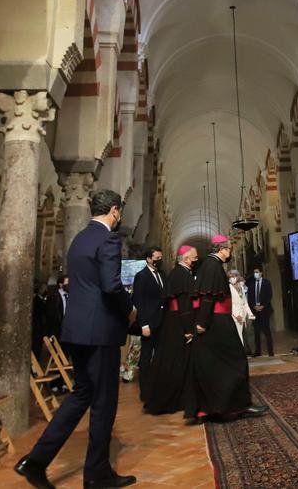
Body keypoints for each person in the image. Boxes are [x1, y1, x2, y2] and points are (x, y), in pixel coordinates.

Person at [16, 190, 137, 489]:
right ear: (113, 211)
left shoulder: (79, 239)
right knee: (103, 403)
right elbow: (111, 286)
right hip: (100, 332)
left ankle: (34, 462)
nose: (119, 216)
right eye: (119, 212)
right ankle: (96, 474)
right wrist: (130, 309)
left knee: (81, 395)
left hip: (76, 331)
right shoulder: (108, 239)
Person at [189, 236, 268, 422]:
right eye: (229, 249)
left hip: (216, 321)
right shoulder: (212, 265)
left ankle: (221, 407)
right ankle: (238, 407)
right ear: (222, 249)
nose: (230, 252)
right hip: (217, 323)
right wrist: (202, 322)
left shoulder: (210, 264)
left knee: (218, 365)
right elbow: (208, 297)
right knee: (236, 361)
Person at [143, 245, 198, 417]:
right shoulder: (181, 274)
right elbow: (184, 305)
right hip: (178, 323)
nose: (196, 260)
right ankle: (168, 401)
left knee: (174, 363)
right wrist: (188, 329)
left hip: (174, 321)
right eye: (194, 258)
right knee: (173, 364)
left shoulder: (178, 273)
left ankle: (178, 399)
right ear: (186, 258)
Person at [130, 246, 165, 403]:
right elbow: (139, 301)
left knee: (160, 356)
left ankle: (159, 388)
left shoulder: (162, 274)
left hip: (162, 322)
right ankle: (145, 392)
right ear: (149, 259)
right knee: (146, 357)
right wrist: (143, 324)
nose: (159, 260)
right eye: (157, 258)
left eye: (160, 257)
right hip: (149, 323)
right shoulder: (141, 276)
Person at [247, 265, 274, 357]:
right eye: (254, 272)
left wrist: (262, 306)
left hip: (265, 310)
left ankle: (271, 352)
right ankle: (258, 351)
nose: (256, 274)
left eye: (257, 272)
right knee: (256, 332)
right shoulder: (251, 284)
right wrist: (254, 306)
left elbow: (269, 295)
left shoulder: (267, 283)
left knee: (267, 331)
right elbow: (249, 298)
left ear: (261, 273)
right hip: (255, 311)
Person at [227, 269, 254, 349]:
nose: (232, 278)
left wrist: (250, 313)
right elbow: (229, 303)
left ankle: (241, 354)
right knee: (237, 336)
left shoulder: (241, 287)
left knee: (241, 335)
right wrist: (236, 315)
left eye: (234, 276)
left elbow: (245, 302)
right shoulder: (228, 288)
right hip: (234, 315)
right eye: (231, 277)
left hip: (242, 315)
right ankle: (239, 355)